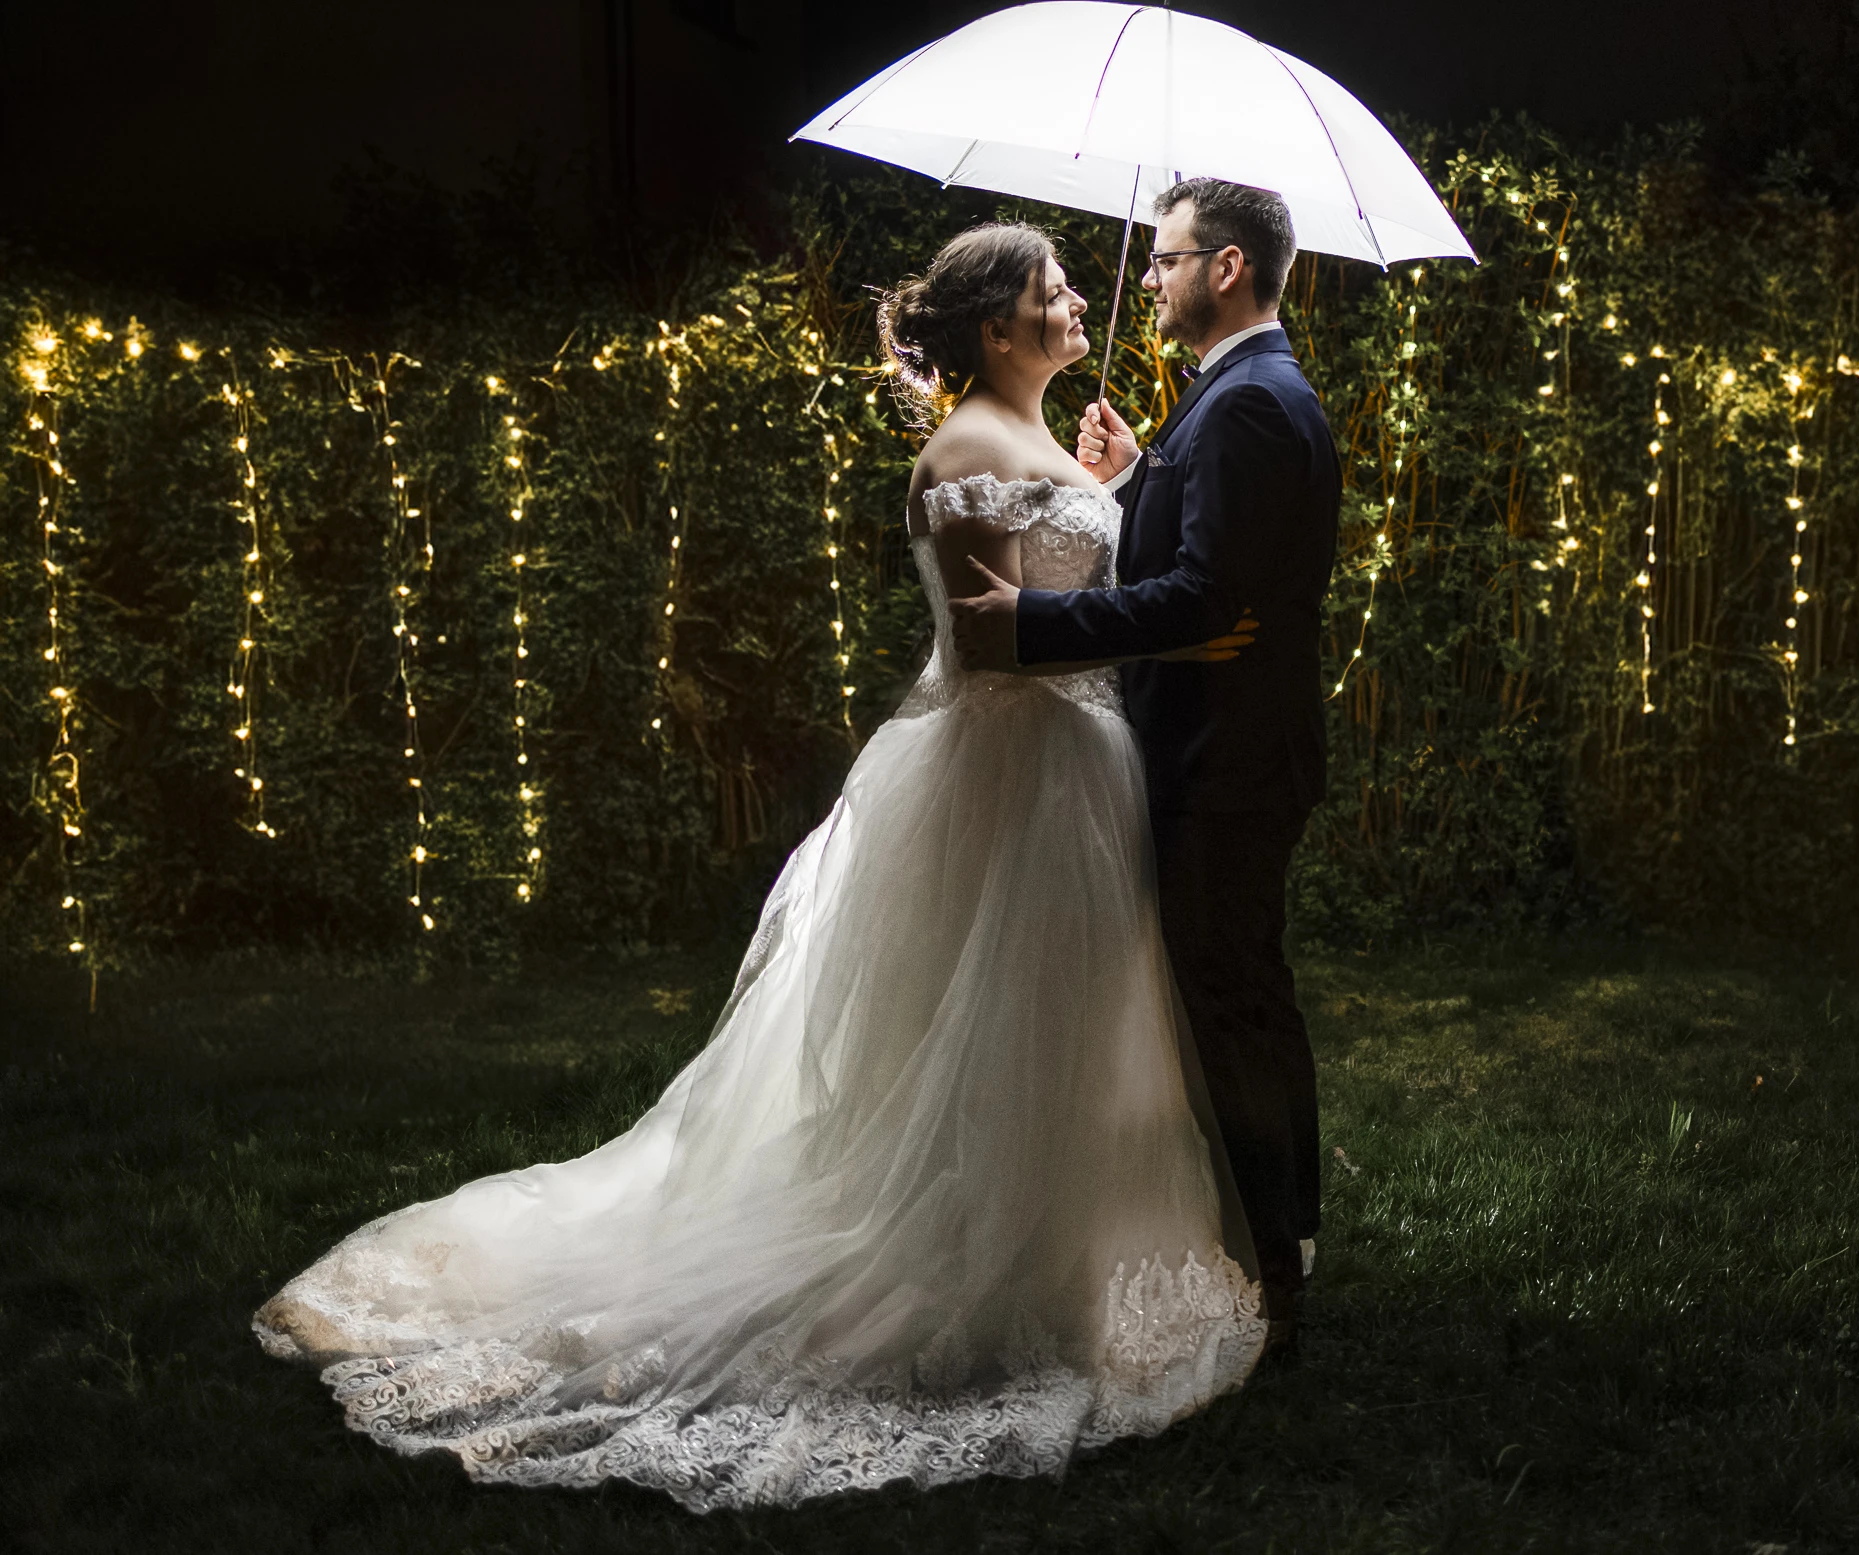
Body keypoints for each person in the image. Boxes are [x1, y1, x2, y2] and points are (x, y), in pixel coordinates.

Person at [251, 222, 1268, 1513]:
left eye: (1071, 286)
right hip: (1007, 780)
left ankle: (1058, 1255)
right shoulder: (958, 451)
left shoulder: (1046, 440)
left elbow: (1058, 575)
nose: (1077, 301)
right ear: (998, 330)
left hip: (1075, 771)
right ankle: (964, 1259)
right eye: (1051, 290)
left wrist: (1105, 487)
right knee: (981, 1031)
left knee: (1066, 1031)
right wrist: (1106, 562)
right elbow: (989, 645)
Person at [949, 177, 1341, 1355]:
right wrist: (1132, 476)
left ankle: (1275, 1257)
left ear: (1225, 268)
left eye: (1166, 259)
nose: (1151, 276)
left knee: (1231, 1001)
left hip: (1225, 758)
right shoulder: (1229, 398)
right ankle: (1274, 1235)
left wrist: (1029, 623)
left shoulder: (1246, 406)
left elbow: (1207, 594)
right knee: (1231, 993)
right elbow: (1198, 544)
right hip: (1221, 752)